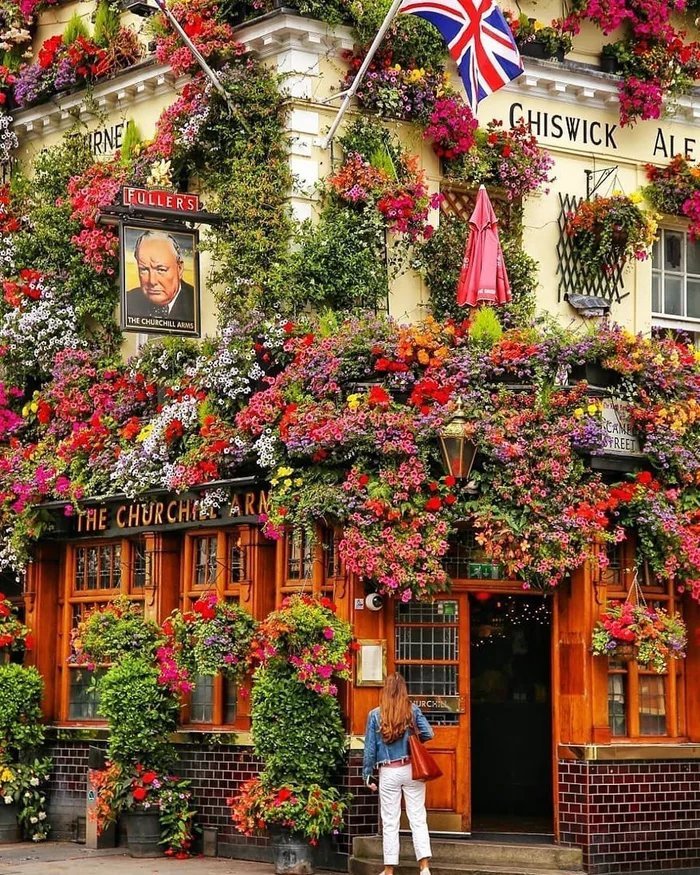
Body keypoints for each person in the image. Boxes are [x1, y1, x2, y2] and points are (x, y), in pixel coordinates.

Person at [363, 673, 433, 875]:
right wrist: (413, 738)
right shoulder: (412, 711)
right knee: (418, 818)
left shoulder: (375, 715)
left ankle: (389, 870)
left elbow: (369, 750)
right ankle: (424, 868)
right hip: (413, 769)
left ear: (385, 690)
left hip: (388, 771)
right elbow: (429, 733)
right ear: (404, 690)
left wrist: (368, 774)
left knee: (390, 821)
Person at [125, 230, 195, 325]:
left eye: (161, 270)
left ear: (180, 268)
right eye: (144, 269)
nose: (152, 281)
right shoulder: (128, 301)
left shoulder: (195, 303)